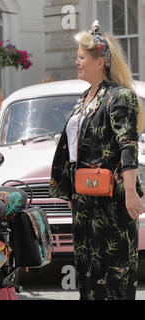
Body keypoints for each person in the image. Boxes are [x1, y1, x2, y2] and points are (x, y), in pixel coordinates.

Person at [49, 21, 145, 300]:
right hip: (84, 201)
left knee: (114, 272)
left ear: (100, 62)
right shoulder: (84, 99)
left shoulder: (120, 96)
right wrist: (69, 189)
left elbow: (128, 145)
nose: (76, 62)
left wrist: (130, 193)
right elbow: (76, 149)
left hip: (112, 201)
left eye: (81, 57)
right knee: (88, 271)